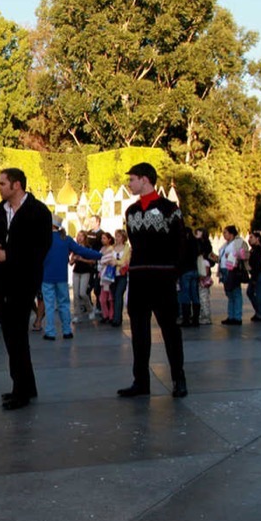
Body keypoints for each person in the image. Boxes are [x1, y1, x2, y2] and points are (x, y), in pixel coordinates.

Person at [0, 168, 52, 410]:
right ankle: (24, 386)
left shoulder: (38, 212)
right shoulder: (0, 213)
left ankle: (21, 390)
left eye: (2, 183)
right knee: (12, 337)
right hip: (2, 283)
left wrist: (9, 256)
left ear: (17, 185)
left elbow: (40, 248)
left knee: (17, 337)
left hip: (23, 282)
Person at [117, 162, 187, 399]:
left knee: (170, 330)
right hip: (138, 278)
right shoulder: (131, 211)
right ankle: (141, 381)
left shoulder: (171, 209)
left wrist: (172, 273)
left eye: (132, 179)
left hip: (162, 278)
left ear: (145, 180)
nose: (130, 184)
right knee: (139, 332)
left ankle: (178, 378)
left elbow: (180, 244)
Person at [41, 215, 101, 340]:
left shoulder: (43, 239)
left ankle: (50, 332)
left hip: (47, 277)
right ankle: (67, 331)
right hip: (62, 276)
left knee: (50, 305)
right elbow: (82, 250)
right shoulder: (66, 239)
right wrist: (99, 255)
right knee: (64, 304)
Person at [218, 225, 248, 326]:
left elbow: (243, 255)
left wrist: (231, 256)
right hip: (224, 269)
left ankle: (237, 316)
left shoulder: (238, 242)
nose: (224, 235)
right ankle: (231, 316)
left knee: (235, 293)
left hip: (232, 270)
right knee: (229, 293)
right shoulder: (225, 244)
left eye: (225, 233)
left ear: (231, 233)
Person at [177, 227, 201, 328]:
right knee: (195, 294)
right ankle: (195, 318)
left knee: (185, 295)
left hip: (185, 271)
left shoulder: (183, 244)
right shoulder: (195, 243)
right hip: (194, 270)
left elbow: (180, 258)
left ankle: (186, 318)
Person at [71, 230, 97, 322]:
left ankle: (90, 309)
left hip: (86, 271)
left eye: (81, 236)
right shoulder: (75, 248)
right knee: (75, 294)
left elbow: (93, 261)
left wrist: (82, 259)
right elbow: (70, 263)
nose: (80, 237)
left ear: (85, 237)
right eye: (78, 235)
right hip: (76, 271)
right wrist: (74, 259)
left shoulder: (88, 248)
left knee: (82, 293)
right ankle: (77, 314)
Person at [194, 227, 216, 325]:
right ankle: (203, 315)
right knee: (202, 296)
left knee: (203, 297)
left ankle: (206, 316)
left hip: (202, 276)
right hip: (202, 274)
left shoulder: (204, 255)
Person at [110, 229, 131, 327]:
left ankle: (117, 319)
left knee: (118, 295)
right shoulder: (112, 248)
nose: (117, 238)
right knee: (114, 296)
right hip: (112, 275)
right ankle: (116, 315)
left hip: (122, 275)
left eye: (118, 236)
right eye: (116, 236)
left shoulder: (127, 248)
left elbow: (127, 262)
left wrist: (117, 263)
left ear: (123, 238)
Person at [246, 230, 261, 322]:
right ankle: (258, 311)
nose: (249, 239)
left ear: (257, 238)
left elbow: (256, 262)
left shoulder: (260, 249)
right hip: (254, 273)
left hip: (259, 273)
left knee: (259, 294)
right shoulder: (252, 249)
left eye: (251, 237)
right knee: (250, 292)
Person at [97, 232, 116, 324]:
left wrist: (102, 262)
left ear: (109, 239)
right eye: (102, 238)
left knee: (110, 298)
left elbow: (106, 260)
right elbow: (100, 262)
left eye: (104, 238)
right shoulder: (102, 249)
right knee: (103, 298)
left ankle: (111, 315)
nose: (102, 240)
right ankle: (105, 314)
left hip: (109, 275)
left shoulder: (112, 249)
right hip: (102, 275)